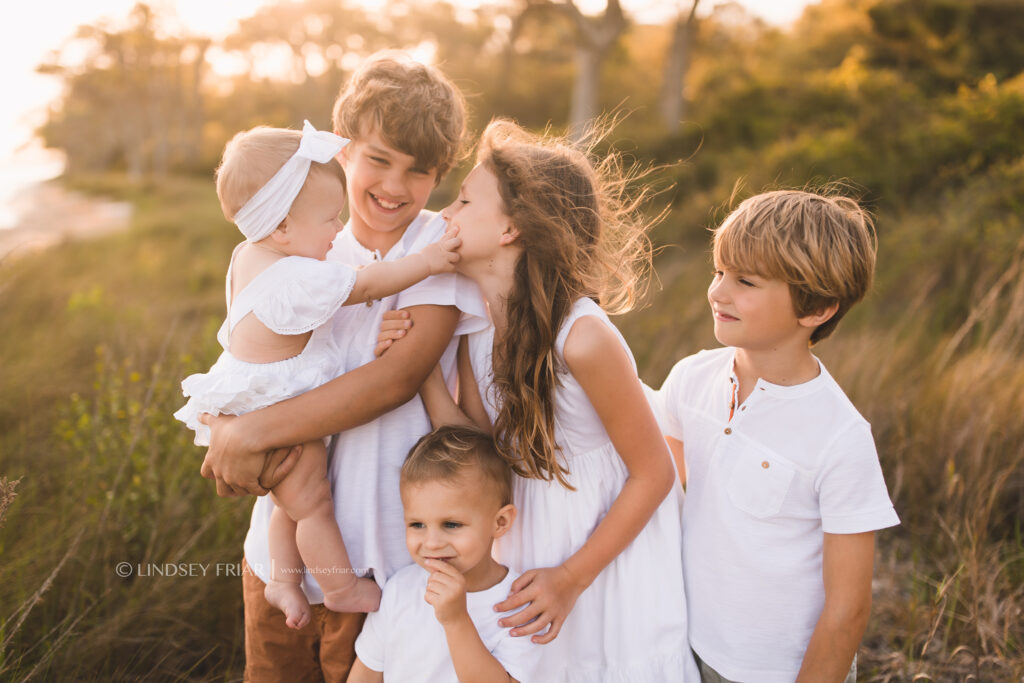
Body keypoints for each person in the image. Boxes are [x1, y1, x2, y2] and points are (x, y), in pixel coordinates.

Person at [197, 52, 486, 681]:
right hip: (281, 554)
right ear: (343, 151)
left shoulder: (436, 248)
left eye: (420, 172)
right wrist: (234, 426)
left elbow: (393, 381)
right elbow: (254, 357)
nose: (394, 186)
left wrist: (249, 434)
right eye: (379, 159)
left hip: (382, 559)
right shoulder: (299, 240)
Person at [381, 118, 698, 680]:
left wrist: (573, 577)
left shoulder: (583, 335)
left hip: (602, 552)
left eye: (463, 200)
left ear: (511, 230)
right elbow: (482, 447)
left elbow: (654, 473)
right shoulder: (476, 325)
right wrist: (420, 367)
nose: (446, 215)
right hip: (530, 543)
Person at [174, 121, 461, 629]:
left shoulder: (248, 257)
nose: (337, 228)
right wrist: (428, 261)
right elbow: (369, 282)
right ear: (282, 227)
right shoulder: (303, 274)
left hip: (248, 404)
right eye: (329, 218)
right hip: (276, 409)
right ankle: (341, 585)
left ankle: (284, 582)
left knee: (289, 505)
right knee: (310, 507)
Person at [650, 190, 900, 682]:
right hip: (686, 648)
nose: (718, 292)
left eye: (745, 281)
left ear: (817, 308)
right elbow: (663, 499)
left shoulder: (840, 436)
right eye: (719, 271)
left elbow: (848, 608)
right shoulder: (689, 378)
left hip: (779, 672)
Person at [349, 426, 540, 682]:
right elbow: (366, 672)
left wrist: (456, 620)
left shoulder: (519, 606)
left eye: (451, 524)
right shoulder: (399, 589)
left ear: (500, 522)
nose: (432, 542)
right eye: (417, 524)